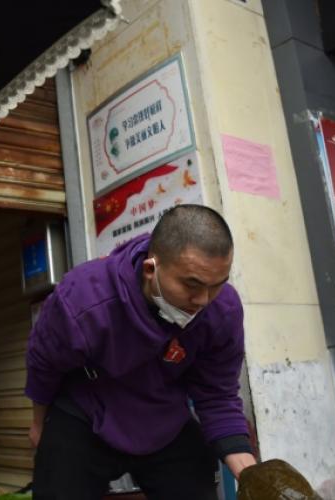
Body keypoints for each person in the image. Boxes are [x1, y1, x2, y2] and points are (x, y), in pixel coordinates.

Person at [26, 204, 257, 499]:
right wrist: (39, 425)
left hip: (165, 417)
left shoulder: (222, 310)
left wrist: (252, 474)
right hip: (87, 411)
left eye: (216, 286)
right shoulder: (83, 298)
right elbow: (44, 365)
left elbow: (217, 393)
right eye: (192, 285)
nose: (203, 300)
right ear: (151, 269)